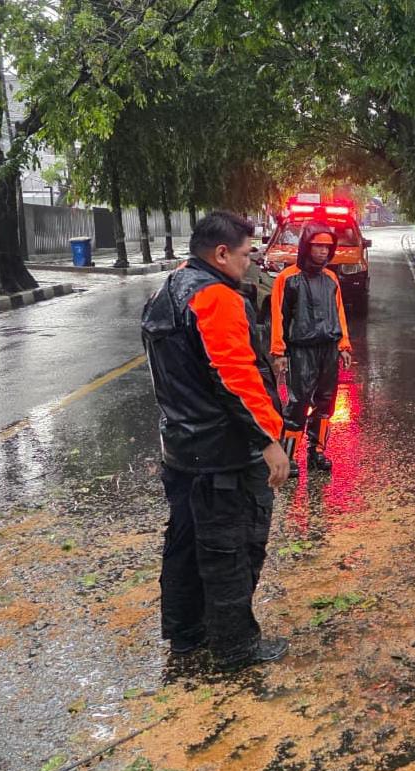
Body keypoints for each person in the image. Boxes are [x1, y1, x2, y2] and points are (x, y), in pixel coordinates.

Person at [141, 211, 291, 671]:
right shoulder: (215, 299)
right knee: (232, 548)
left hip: (182, 450)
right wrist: (269, 439)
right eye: (247, 254)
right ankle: (235, 647)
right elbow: (236, 380)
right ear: (221, 253)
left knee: (185, 542)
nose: (252, 262)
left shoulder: (167, 291)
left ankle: (186, 634)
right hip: (223, 454)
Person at [270, 222, 354, 473]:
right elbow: (278, 316)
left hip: (328, 348)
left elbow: (339, 314)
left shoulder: (331, 279)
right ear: (307, 246)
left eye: (327, 247)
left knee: (326, 402)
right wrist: (279, 352)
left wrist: (344, 345)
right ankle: (289, 456)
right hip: (300, 349)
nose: (322, 251)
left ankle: (317, 452)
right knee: (298, 402)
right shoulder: (288, 279)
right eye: (318, 245)